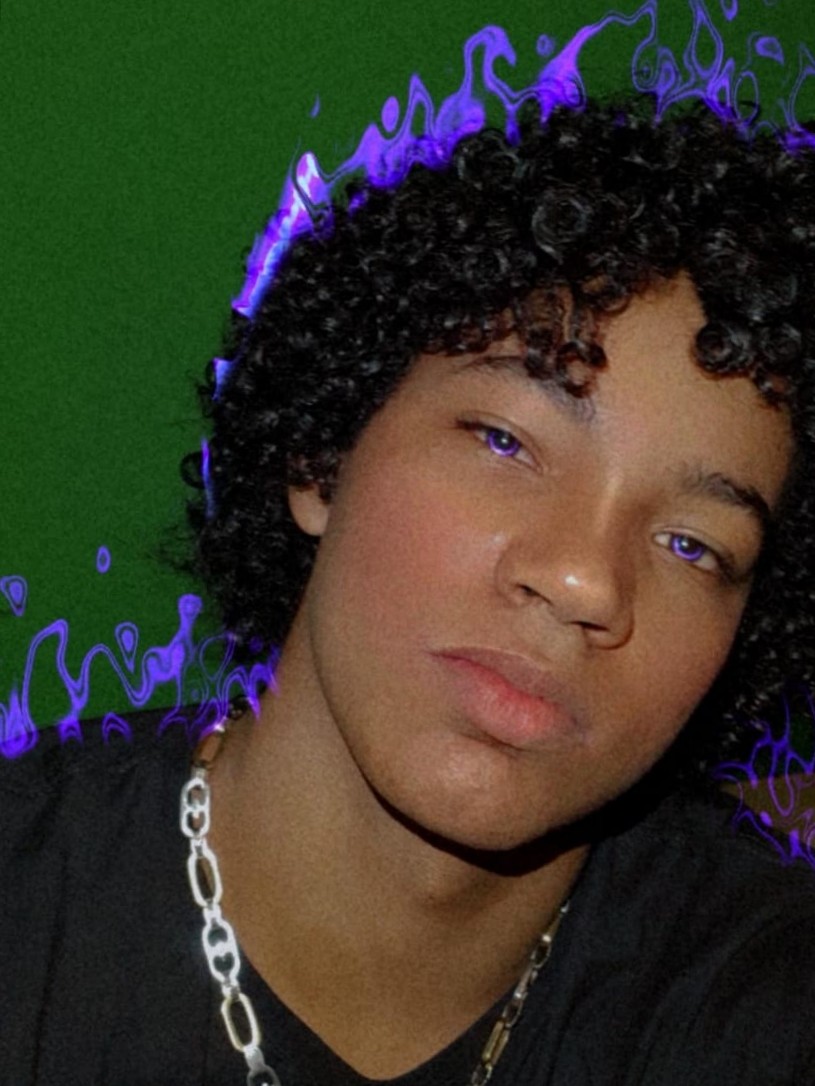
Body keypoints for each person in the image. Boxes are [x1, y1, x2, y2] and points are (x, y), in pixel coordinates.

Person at [2, 94, 815, 1086]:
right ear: (322, 456)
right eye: (504, 442)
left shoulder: (761, 1003)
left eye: (692, 544)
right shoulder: (29, 912)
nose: (582, 579)